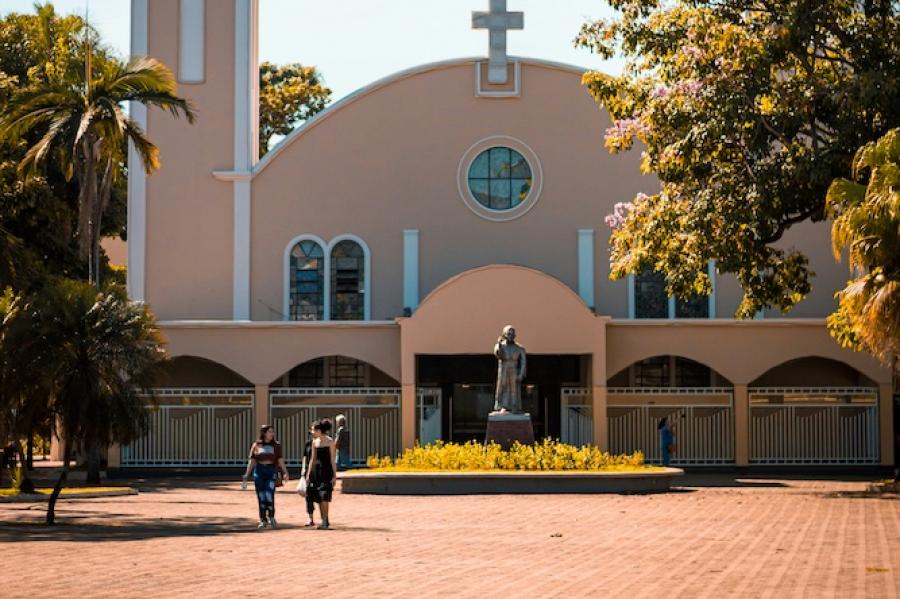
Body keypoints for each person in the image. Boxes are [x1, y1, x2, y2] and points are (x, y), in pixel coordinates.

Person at [242, 424, 288, 529]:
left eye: (272, 432)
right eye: (269, 432)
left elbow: (280, 460)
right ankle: (263, 519)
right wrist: (246, 474)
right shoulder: (256, 445)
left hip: (271, 471)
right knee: (261, 495)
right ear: (264, 433)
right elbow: (252, 461)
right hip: (259, 471)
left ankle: (271, 516)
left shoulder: (276, 445)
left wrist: (285, 472)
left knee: (269, 494)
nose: (272, 434)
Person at [306, 418, 337, 530]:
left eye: (314, 430)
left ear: (319, 430)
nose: (312, 432)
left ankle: (324, 520)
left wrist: (334, 475)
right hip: (316, 472)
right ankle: (324, 519)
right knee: (318, 497)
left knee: (325, 496)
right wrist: (308, 475)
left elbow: (333, 460)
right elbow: (312, 459)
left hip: (327, 471)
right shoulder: (315, 442)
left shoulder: (330, 442)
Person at [301, 426, 316, 527]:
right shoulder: (308, 443)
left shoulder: (323, 443)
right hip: (308, 472)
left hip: (318, 471)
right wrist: (303, 469)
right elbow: (305, 457)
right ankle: (311, 518)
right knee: (308, 495)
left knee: (319, 495)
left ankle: (324, 518)